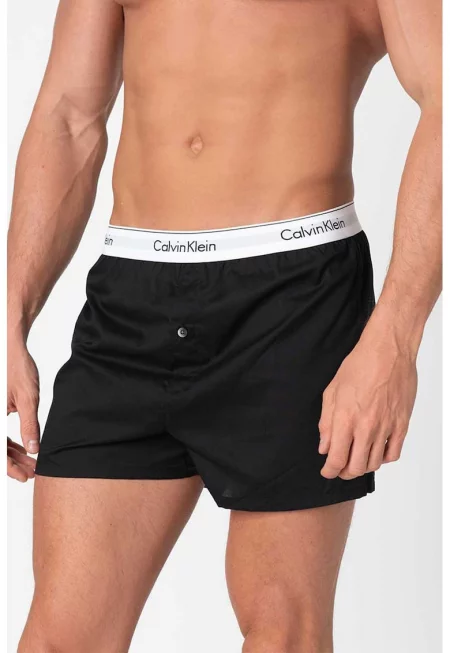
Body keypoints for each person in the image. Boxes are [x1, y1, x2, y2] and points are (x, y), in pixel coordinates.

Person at [7, 0, 442, 651]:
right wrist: (11, 319)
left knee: (282, 633)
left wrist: (396, 337)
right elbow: (69, 116)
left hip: (295, 299)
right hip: (130, 299)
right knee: (59, 640)